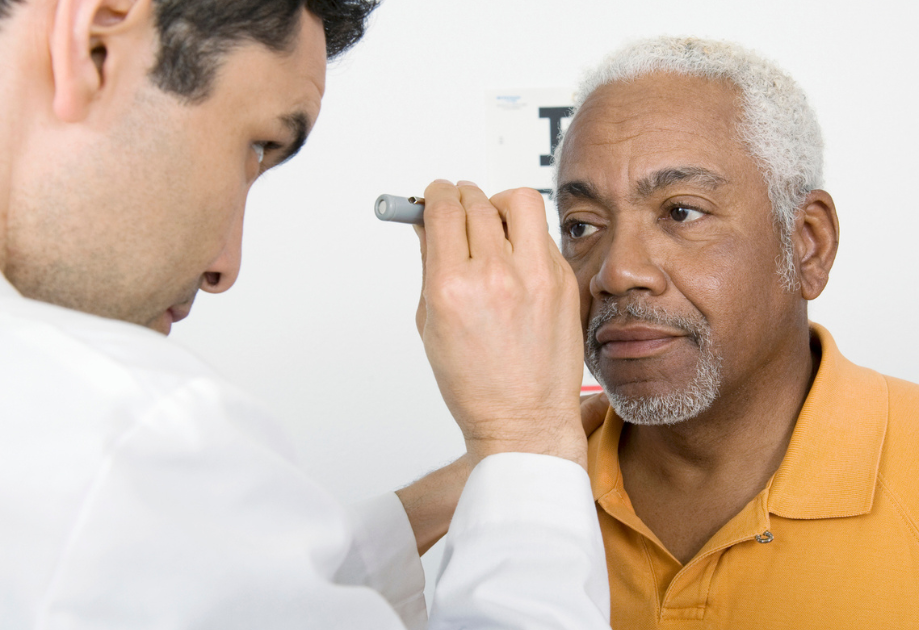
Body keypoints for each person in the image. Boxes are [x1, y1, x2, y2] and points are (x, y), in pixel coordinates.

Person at [0, 1, 608, 628]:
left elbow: (226, 587)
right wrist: (528, 435)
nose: (224, 266)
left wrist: (483, 475)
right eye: (255, 145)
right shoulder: (119, 433)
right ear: (96, 42)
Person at [548, 36, 919, 629]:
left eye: (682, 212)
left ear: (808, 244)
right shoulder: (526, 496)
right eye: (581, 225)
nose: (616, 271)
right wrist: (501, 469)